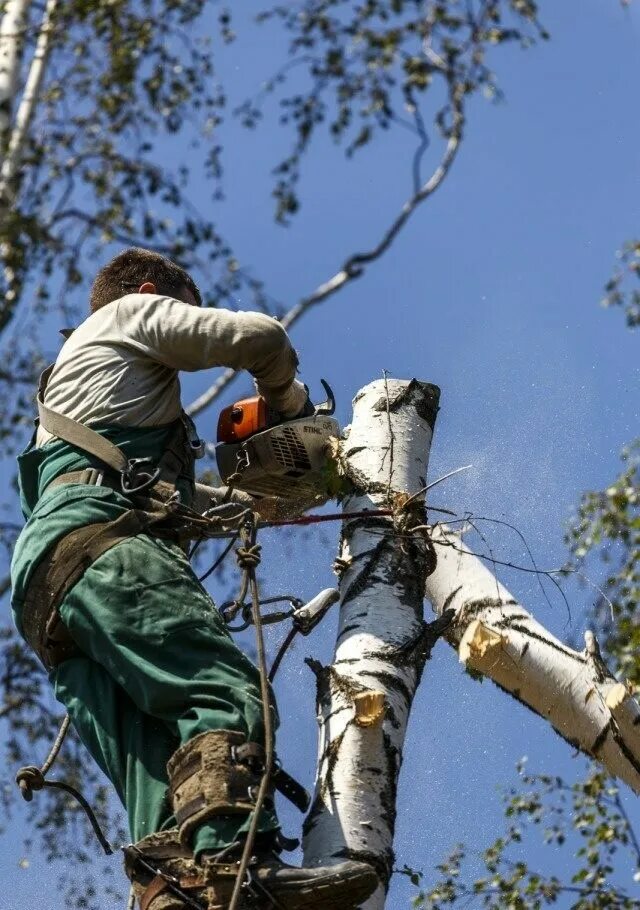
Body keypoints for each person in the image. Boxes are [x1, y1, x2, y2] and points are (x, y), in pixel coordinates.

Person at [10, 248, 377, 910]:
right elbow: (261, 338)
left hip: (48, 586)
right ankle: (240, 865)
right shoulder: (130, 313)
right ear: (152, 293)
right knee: (224, 691)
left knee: (153, 753)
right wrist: (287, 404)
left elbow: (153, 497)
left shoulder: (83, 387)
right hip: (104, 547)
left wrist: (258, 504)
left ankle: (172, 891)